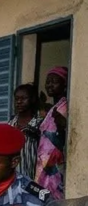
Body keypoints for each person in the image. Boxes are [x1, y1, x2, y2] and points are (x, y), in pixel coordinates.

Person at [35, 66, 67, 197]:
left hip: (53, 163)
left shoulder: (64, 106)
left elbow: (62, 134)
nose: (50, 85)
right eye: (48, 81)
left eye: (54, 81)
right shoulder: (54, 107)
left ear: (64, 84)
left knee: (54, 199)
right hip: (45, 162)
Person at [8, 84, 44, 177]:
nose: (19, 102)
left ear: (32, 99)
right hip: (14, 180)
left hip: (34, 179)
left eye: (24, 98)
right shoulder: (10, 125)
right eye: (17, 99)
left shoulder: (40, 124)